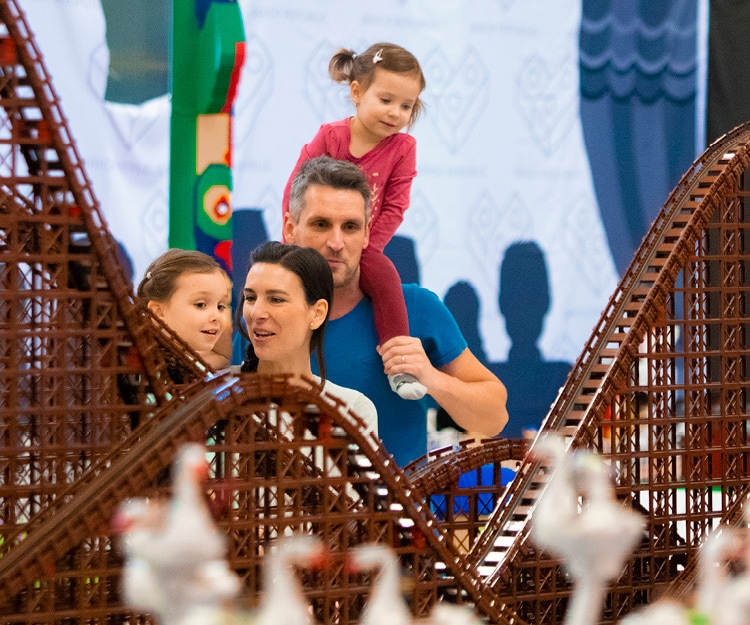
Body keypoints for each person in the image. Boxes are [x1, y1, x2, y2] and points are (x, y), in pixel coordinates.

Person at [283, 156, 508, 466]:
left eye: (350, 227)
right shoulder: (263, 314)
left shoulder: (416, 306)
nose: (336, 242)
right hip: (294, 497)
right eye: (321, 224)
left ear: (366, 234)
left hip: (400, 498)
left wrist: (431, 377)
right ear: (290, 229)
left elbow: (495, 417)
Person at [282, 42, 427, 402]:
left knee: (386, 276)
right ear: (357, 92)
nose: (395, 113)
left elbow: (395, 206)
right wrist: (294, 241)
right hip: (312, 243)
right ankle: (269, 358)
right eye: (386, 100)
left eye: (406, 106)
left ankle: (400, 365)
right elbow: (296, 189)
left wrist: (366, 248)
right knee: (278, 279)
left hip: (363, 245)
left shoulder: (403, 149)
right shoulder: (331, 136)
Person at [236, 240, 377, 432]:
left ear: (318, 313)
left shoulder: (353, 410)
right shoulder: (214, 395)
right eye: (251, 298)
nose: (256, 313)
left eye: (276, 299)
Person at [137, 248, 233, 370]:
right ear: (158, 312)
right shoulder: (148, 367)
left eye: (220, 306)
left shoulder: (189, 362)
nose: (217, 316)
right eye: (200, 304)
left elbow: (223, 355)